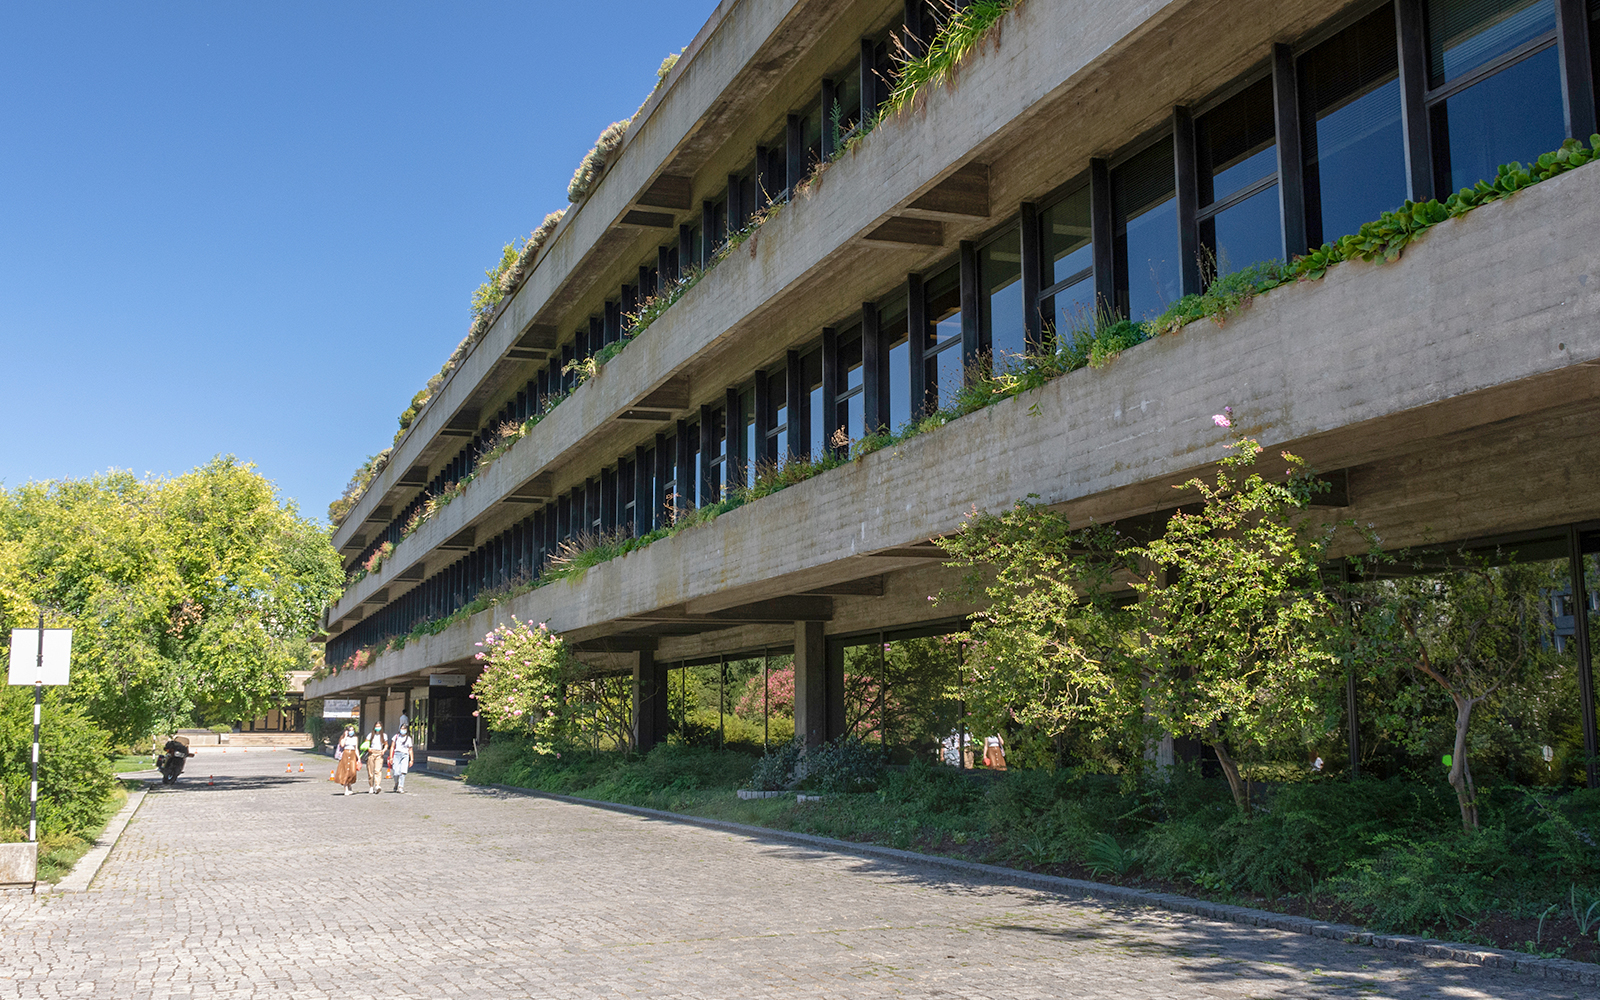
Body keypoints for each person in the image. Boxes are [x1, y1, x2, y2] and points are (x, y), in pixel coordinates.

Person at [331, 725, 361, 796]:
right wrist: (345, 736)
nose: (351, 732)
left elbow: (356, 748)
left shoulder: (355, 738)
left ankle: (349, 784)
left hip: (352, 754)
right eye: (350, 730)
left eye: (352, 730)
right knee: (345, 771)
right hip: (345, 754)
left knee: (352, 771)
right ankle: (346, 788)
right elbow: (342, 745)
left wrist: (358, 758)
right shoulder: (344, 738)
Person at [387, 723, 415, 793]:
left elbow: (410, 749)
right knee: (396, 772)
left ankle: (400, 786)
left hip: (405, 755)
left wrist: (411, 759)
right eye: (402, 728)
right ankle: (396, 783)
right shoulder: (396, 737)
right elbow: (392, 747)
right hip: (397, 754)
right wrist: (391, 757)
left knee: (403, 771)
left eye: (405, 729)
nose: (403, 730)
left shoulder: (408, 738)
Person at [363, 721, 388, 794]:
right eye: (376, 726)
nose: (378, 728)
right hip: (371, 753)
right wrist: (368, 748)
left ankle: (377, 785)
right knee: (370, 772)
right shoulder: (370, 735)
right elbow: (365, 743)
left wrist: (384, 750)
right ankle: (371, 786)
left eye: (379, 726)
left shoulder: (384, 735)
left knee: (378, 770)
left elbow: (386, 744)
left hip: (379, 753)